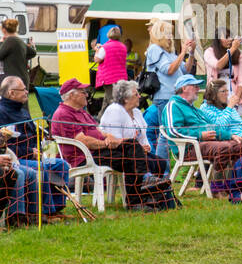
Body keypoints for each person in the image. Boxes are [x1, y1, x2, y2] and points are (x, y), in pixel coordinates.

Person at [49, 78, 171, 210]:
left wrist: (109, 137)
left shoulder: (82, 111)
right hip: (84, 157)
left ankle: (147, 192)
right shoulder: (63, 114)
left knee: (132, 146)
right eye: (83, 92)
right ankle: (137, 197)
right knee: (131, 156)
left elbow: (99, 130)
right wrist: (105, 143)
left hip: (98, 151)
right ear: (71, 95)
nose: (87, 94)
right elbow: (82, 140)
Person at [0, 75, 69, 216]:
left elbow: (34, 137)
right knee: (41, 168)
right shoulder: (2, 113)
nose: (26, 92)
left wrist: (43, 145)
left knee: (61, 164)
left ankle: (57, 207)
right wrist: (31, 152)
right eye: (23, 89)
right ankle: (45, 211)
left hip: (35, 156)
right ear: (11, 93)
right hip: (16, 159)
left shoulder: (24, 112)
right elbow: (7, 147)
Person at [161, 74, 242, 173]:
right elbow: (173, 131)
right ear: (184, 88)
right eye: (195, 86)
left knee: (241, 145)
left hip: (204, 144)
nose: (198, 89)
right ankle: (218, 186)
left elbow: (213, 128)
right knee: (224, 149)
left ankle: (237, 183)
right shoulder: (173, 106)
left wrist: (231, 136)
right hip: (187, 149)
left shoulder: (195, 110)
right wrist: (200, 135)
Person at [100, 79, 169, 179]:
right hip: (119, 153)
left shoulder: (136, 112)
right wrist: (140, 149)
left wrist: (146, 147)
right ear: (126, 98)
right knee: (149, 163)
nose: (139, 96)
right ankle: (144, 189)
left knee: (161, 163)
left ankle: (158, 190)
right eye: (136, 94)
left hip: (137, 152)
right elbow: (115, 142)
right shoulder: (114, 110)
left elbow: (143, 135)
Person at [144, 19, 197, 111]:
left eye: (170, 33)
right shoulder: (154, 49)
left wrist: (191, 53)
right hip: (164, 97)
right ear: (159, 35)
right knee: (168, 125)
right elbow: (169, 70)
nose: (170, 36)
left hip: (176, 96)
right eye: (167, 33)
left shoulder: (170, 53)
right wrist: (183, 52)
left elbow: (186, 69)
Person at [204, 28, 242, 115]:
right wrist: (232, 49)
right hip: (216, 91)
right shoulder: (209, 52)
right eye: (226, 37)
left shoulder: (238, 53)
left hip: (232, 90)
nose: (229, 40)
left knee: (233, 122)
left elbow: (241, 80)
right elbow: (218, 65)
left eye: (230, 37)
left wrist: (237, 98)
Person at [92, 25, 129, 111]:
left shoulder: (105, 47)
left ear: (108, 35)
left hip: (108, 78)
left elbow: (97, 59)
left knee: (113, 101)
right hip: (121, 77)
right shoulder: (123, 47)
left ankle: (117, 117)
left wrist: (97, 50)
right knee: (108, 99)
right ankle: (101, 118)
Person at [0, 18, 37, 88]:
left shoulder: (10, 40)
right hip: (23, 77)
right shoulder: (19, 40)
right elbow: (33, 52)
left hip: (13, 80)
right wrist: (20, 57)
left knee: (10, 98)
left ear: (4, 30)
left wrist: (1, 42)